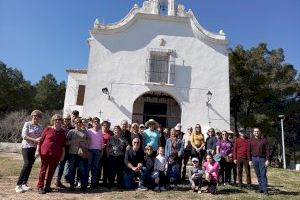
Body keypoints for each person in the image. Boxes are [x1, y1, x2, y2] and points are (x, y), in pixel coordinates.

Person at [36, 114, 66, 194]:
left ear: (61, 121)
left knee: (52, 171)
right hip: (45, 153)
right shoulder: (47, 129)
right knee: (43, 170)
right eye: (56, 120)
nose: (57, 121)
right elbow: (40, 140)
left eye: (59, 120)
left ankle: (47, 186)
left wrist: (62, 155)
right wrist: (37, 150)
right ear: (53, 121)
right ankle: (40, 186)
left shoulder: (63, 132)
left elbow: (63, 145)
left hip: (56, 154)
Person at [15, 110, 43, 193]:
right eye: (35, 115)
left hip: (34, 148)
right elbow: (24, 136)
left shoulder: (40, 127)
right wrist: (35, 139)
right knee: (27, 163)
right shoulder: (27, 124)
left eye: (38, 116)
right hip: (26, 146)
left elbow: (41, 138)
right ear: (32, 116)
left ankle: (24, 183)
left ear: (40, 118)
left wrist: (38, 146)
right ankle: (18, 185)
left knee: (30, 165)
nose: (36, 117)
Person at [67, 118, 89, 193]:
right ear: (74, 123)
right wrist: (75, 141)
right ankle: (71, 186)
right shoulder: (71, 131)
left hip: (82, 154)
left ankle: (83, 187)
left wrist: (83, 141)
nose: (78, 123)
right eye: (76, 122)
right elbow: (66, 142)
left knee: (82, 171)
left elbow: (89, 141)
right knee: (72, 170)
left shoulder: (85, 132)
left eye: (79, 122)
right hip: (72, 153)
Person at [248, 127, 270, 195]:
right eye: (255, 131)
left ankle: (265, 190)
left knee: (263, 174)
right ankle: (261, 188)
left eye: (257, 131)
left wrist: (267, 159)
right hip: (254, 159)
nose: (256, 132)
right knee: (258, 174)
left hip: (262, 159)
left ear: (260, 132)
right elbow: (248, 151)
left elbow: (267, 151)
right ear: (253, 132)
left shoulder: (264, 140)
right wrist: (249, 160)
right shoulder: (250, 140)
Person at [55, 114, 74, 188]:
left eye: (68, 119)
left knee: (69, 165)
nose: (67, 121)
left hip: (70, 149)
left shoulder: (72, 128)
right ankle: (57, 180)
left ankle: (67, 179)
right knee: (60, 165)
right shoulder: (59, 127)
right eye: (65, 119)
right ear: (63, 119)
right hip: (61, 149)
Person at [87, 117, 104, 189]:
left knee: (95, 168)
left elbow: (101, 142)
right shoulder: (89, 131)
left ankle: (93, 183)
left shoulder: (100, 132)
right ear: (92, 123)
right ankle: (85, 182)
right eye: (95, 122)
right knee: (88, 167)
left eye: (97, 122)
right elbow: (86, 140)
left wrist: (102, 151)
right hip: (90, 151)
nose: (96, 123)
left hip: (98, 151)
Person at [97, 120, 113, 187]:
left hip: (107, 152)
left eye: (107, 126)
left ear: (109, 127)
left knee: (106, 168)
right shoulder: (99, 132)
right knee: (98, 168)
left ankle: (104, 182)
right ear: (102, 126)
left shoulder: (111, 133)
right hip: (100, 152)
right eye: (104, 125)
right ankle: (96, 182)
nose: (105, 127)